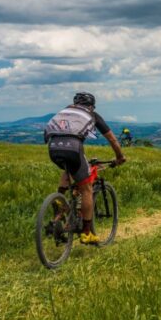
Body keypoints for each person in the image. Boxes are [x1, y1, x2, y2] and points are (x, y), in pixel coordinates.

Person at [44, 92, 126, 245]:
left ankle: (60, 201)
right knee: (87, 188)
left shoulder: (64, 111)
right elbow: (112, 140)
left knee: (69, 169)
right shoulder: (92, 114)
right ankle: (86, 233)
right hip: (73, 149)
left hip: (53, 148)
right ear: (91, 105)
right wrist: (120, 157)